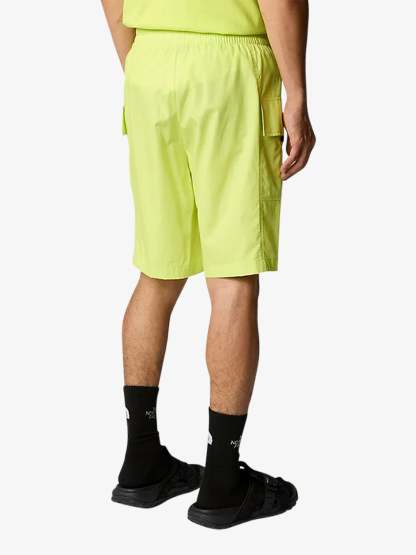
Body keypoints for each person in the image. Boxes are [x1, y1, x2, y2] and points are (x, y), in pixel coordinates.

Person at [102, 0, 315, 529]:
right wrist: (297, 92)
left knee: (158, 270)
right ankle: (223, 482)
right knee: (232, 276)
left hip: (150, 62)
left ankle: (142, 461)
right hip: (229, 69)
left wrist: (141, 63)